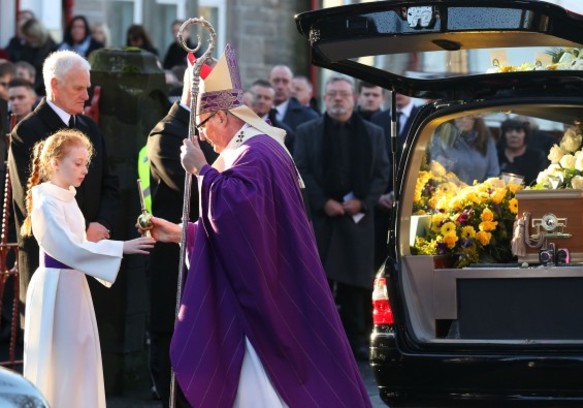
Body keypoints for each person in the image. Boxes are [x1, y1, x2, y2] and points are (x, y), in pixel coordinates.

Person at [143, 44, 371, 407]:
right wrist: (180, 233)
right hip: (269, 275)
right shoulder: (254, 147)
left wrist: (201, 170)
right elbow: (245, 230)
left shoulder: (256, 153)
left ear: (220, 117)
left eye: (202, 126)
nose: (201, 136)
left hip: (265, 294)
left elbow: (238, 214)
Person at [21, 129, 153, 408]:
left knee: (79, 356)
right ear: (56, 163)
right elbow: (69, 248)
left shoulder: (67, 196)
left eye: (86, 164)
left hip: (73, 286)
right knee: (60, 359)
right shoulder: (45, 200)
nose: (84, 170)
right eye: (77, 163)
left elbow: (78, 244)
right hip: (55, 288)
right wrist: (121, 247)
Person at [8, 50, 120, 326]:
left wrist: (101, 224)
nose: (86, 95)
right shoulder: (27, 132)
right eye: (78, 88)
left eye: (87, 87)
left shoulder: (90, 129)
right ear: (55, 85)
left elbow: (110, 182)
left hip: (91, 255)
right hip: (48, 263)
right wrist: (81, 233)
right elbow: (31, 199)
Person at [294, 74, 389, 361]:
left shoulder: (373, 133)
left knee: (355, 286)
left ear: (354, 98)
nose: (338, 98)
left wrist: (363, 201)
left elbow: (382, 173)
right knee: (318, 284)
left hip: (356, 218)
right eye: (332, 94)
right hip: (321, 219)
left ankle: (356, 340)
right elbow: (300, 169)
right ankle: (315, 340)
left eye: (344, 94)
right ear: (324, 97)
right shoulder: (308, 130)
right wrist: (323, 202)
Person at [146, 66, 218, 408]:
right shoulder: (166, 133)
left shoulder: (208, 129)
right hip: (173, 253)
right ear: (194, 92)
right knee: (170, 338)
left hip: (202, 247)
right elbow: (188, 189)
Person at [370, 92, 420, 269]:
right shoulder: (377, 119)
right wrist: (378, 195)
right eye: (394, 92)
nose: (398, 95)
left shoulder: (421, 117)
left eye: (403, 91)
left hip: (410, 202)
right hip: (379, 204)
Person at [429, 115, 500, 184]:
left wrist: (483, 192)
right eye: (460, 116)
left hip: (479, 194)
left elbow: (493, 173)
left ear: (476, 119)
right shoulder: (442, 138)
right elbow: (437, 172)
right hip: (449, 192)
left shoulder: (486, 140)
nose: (464, 120)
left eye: (469, 116)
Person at [497, 118, 548, 185]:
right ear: (504, 135)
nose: (513, 135)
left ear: (526, 135)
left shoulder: (537, 156)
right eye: (509, 131)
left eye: (518, 131)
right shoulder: (496, 155)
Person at [268, 64, 318, 132]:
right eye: (276, 81)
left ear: (291, 85)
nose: (280, 86)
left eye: (285, 81)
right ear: (269, 82)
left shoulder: (309, 117)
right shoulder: (256, 112)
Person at [250, 78, 295, 152]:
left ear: (273, 102)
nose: (262, 101)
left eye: (267, 98)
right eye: (258, 97)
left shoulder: (284, 134)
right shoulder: (235, 124)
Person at [19, 18, 58, 96]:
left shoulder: (52, 48)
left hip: (43, 91)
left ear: (37, 34)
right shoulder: (28, 46)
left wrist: (33, 89)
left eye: (29, 36)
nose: (27, 39)